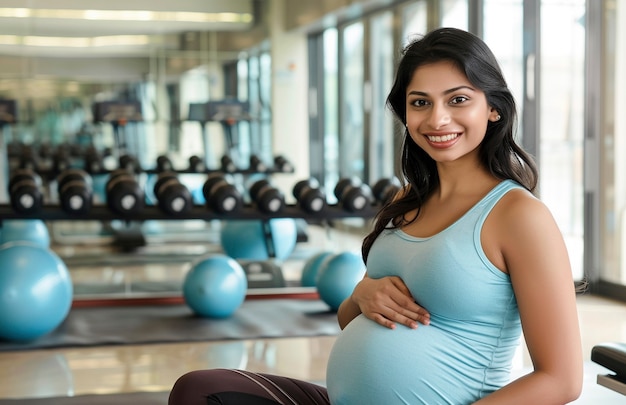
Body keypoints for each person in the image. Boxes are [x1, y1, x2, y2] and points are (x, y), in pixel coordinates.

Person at [168, 27, 583, 405]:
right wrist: (361, 295)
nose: (437, 119)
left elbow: (561, 379)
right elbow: (350, 317)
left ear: (492, 108)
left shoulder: (519, 216)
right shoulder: (407, 200)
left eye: (458, 99)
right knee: (200, 391)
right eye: (420, 103)